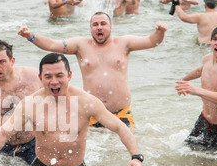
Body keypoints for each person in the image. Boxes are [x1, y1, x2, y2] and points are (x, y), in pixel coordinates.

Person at [0, 53, 143, 166]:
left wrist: (136, 157)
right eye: (48, 76)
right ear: (40, 78)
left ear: (69, 76)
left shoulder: (86, 103)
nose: (54, 82)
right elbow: (3, 134)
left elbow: (120, 127)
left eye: (59, 76)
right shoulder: (31, 104)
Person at [18, 12, 168, 128]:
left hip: (121, 113)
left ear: (110, 27)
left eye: (103, 23)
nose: (99, 27)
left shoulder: (124, 43)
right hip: (91, 113)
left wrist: (160, 32)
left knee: (123, 154)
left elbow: (151, 41)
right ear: (91, 28)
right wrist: (31, 36)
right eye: (95, 24)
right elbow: (51, 45)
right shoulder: (80, 45)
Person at [175, 26, 217, 151]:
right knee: (183, 151)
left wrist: (197, 91)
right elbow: (200, 70)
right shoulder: (207, 59)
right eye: (214, 39)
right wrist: (183, 81)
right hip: (203, 120)